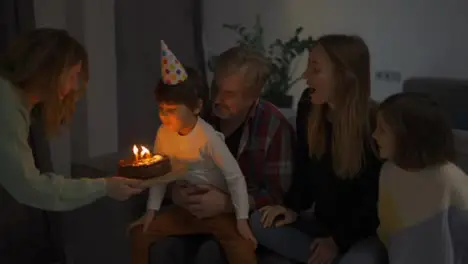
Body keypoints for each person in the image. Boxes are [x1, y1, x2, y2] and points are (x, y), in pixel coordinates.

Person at [149, 45, 295, 263]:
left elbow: (276, 193)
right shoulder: (197, 113)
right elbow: (164, 165)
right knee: (163, 248)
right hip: (191, 214)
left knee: (211, 254)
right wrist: (175, 193)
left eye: (229, 94)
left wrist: (227, 203)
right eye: (216, 88)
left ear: (252, 96)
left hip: (238, 219)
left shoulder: (273, 126)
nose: (216, 99)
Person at [249, 34, 386, 264]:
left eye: (315, 69)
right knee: (259, 222)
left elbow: (373, 204)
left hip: (362, 233)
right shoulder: (309, 106)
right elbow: (304, 168)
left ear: (344, 76)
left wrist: (337, 242)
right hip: (321, 225)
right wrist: (291, 207)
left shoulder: (374, 125)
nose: (305, 76)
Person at [129, 41, 257, 264]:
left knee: (242, 247)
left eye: (171, 111)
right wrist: (151, 211)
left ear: (196, 107)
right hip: (185, 209)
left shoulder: (208, 137)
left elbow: (235, 177)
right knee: (139, 233)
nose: (164, 117)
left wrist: (241, 219)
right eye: (161, 110)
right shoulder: (163, 134)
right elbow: (161, 175)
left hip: (218, 212)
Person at [0, 28, 144, 211]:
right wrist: (105, 187)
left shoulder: (13, 100)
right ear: (50, 71)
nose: (74, 86)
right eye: (72, 75)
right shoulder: (7, 109)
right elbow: (30, 187)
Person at [373, 92, 468, 264]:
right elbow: (387, 234)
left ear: (408, 136)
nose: (374, 135)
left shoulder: (449, 180)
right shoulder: (388, 172)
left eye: (382, 130)